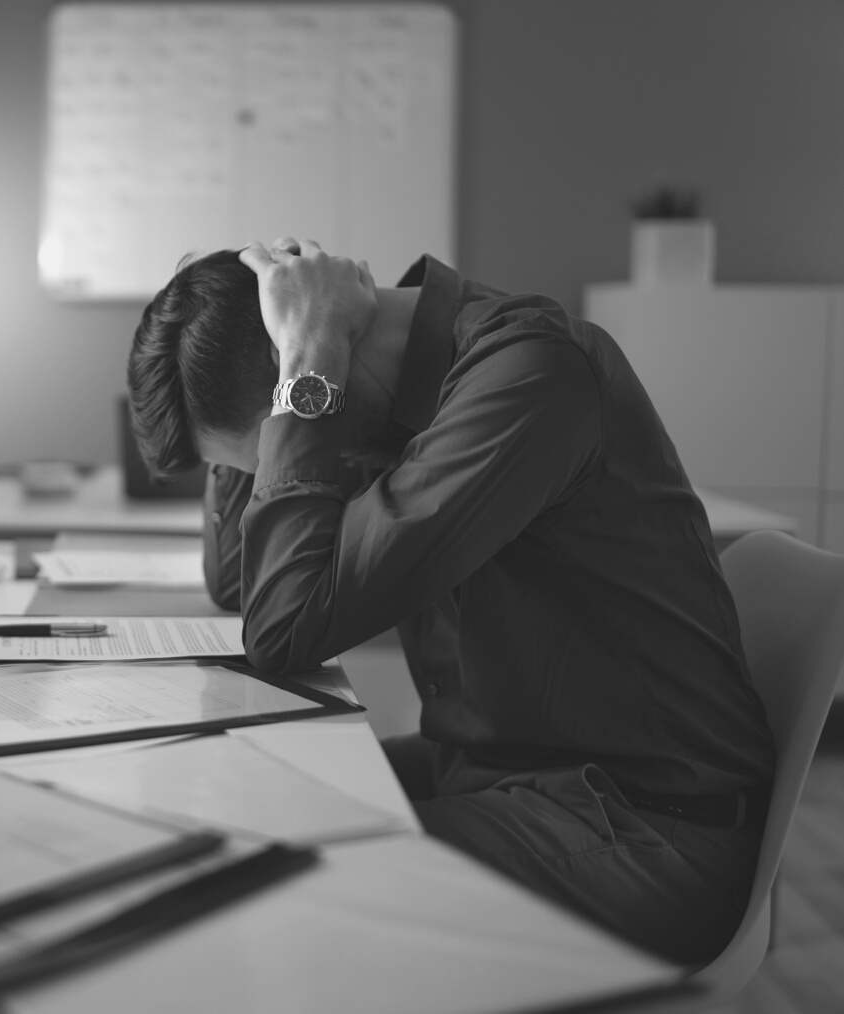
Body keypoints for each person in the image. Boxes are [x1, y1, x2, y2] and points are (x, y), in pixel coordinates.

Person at [126, 238, 775, 965]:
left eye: (271, 443)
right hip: (493, 773)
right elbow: (238, 581)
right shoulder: (384, 400)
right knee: (217, 810)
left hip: (639, 828)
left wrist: (303, 366)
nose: (280, 445)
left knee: (265, 890)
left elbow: (282, 630)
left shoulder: (527, 375)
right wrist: (242, 331)